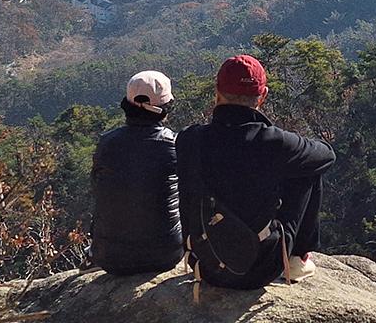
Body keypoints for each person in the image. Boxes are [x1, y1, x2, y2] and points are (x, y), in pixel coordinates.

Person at [176, 54, 335, 289]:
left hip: (206, 265)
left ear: (217, 92)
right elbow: (327, 154)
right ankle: (296, 260)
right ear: (263, 97)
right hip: (260, 269)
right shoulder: (274, 142)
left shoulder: (189, 139)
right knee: (308, 168)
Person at [89, 70, 184, 275]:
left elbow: (97, 188)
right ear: (165, 108)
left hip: (109, 257)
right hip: (165, 254)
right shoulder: (174, 145)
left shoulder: (106, 143)